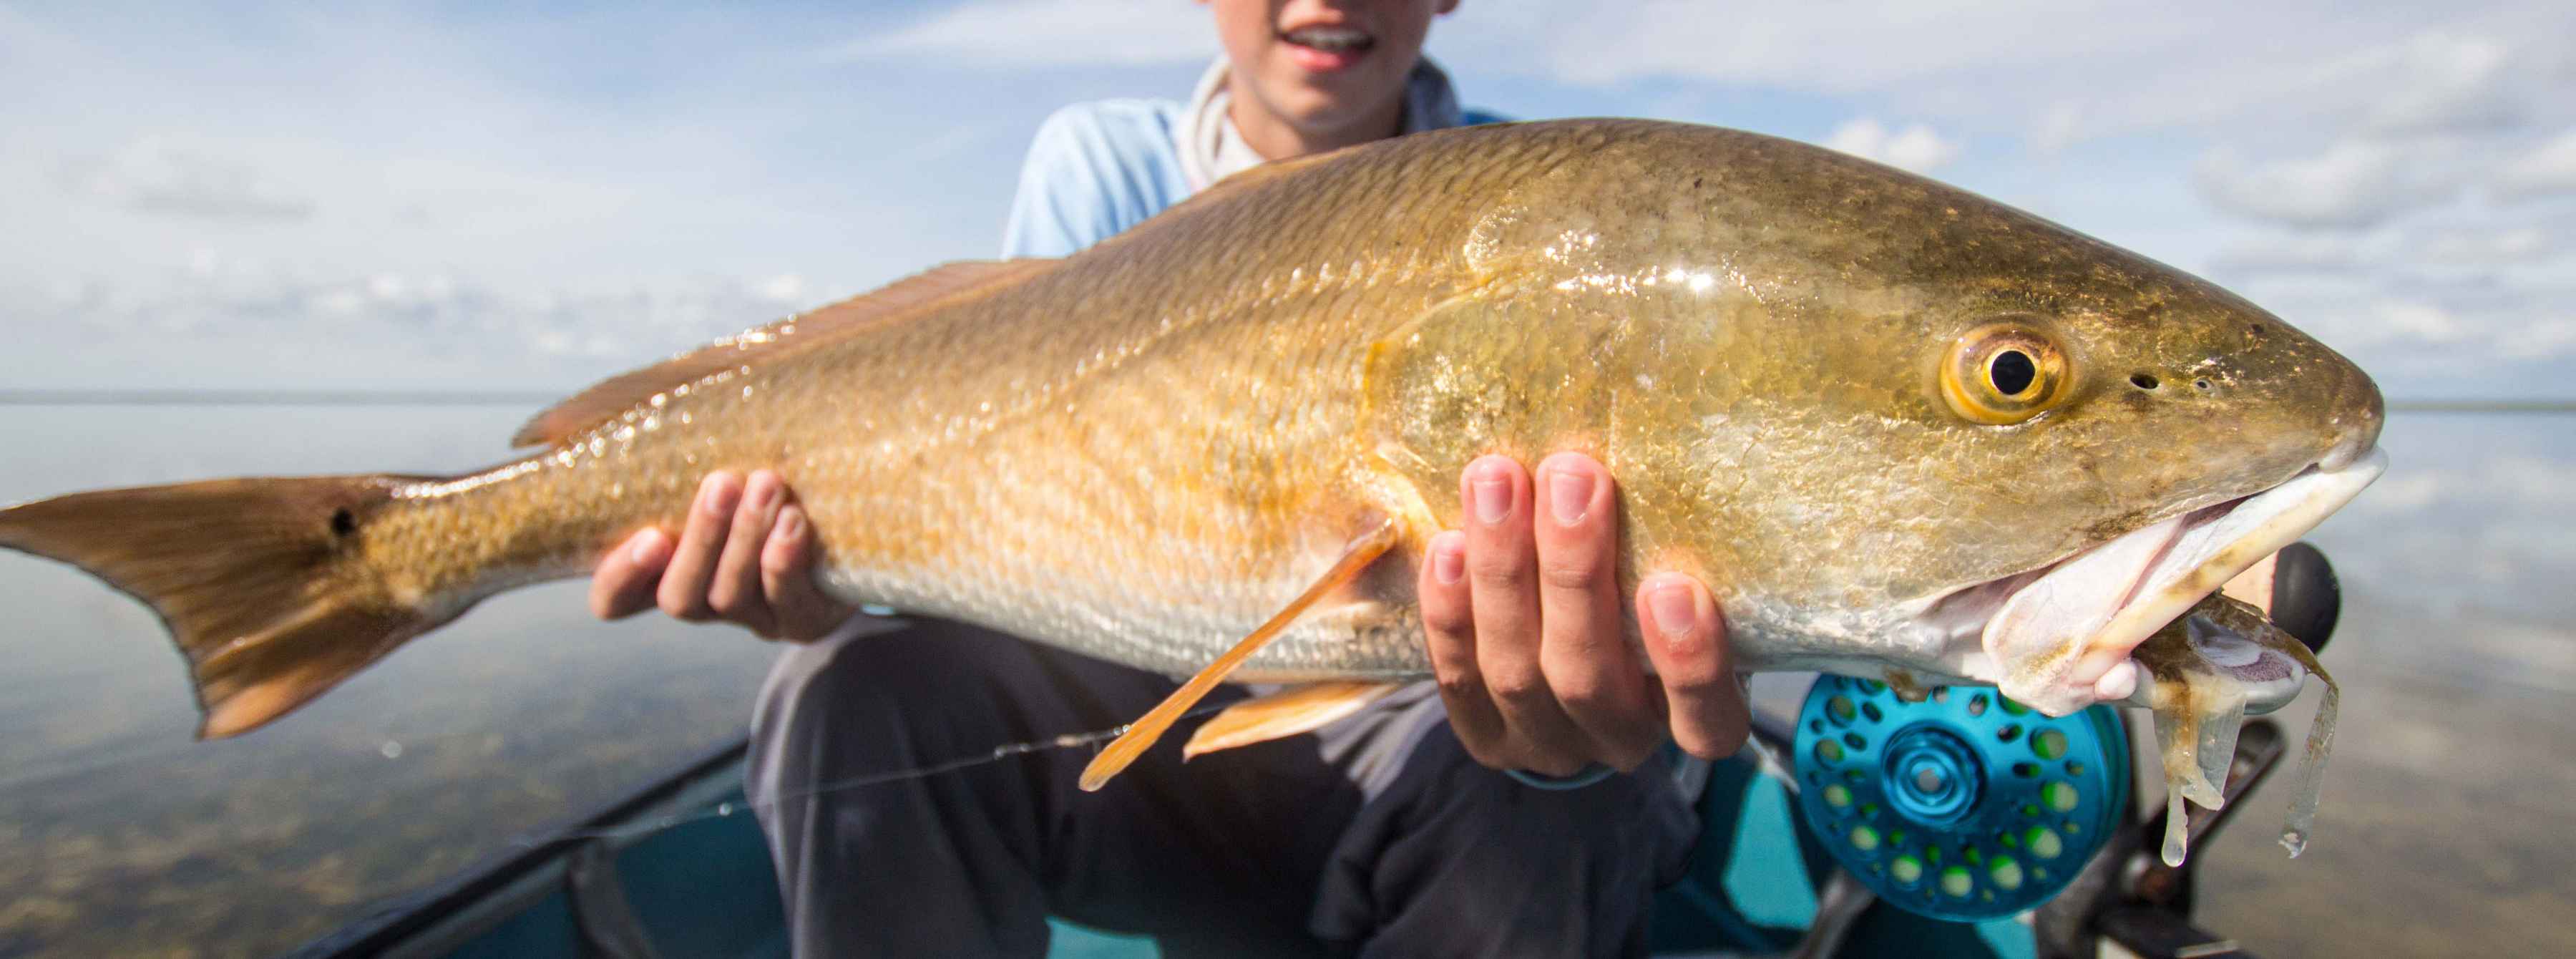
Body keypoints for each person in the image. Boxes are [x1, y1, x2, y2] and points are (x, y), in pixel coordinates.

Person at [588, 2, 1750, 955]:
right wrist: (828, 570)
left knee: (1586, 784)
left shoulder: (1555, 202)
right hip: (1141, 753)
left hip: (1425, 754)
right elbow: (988, 468)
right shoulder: (1096, 161)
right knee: (849, 686)